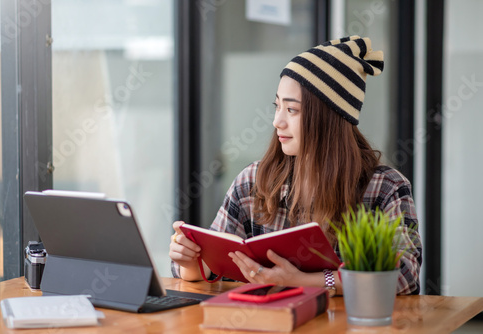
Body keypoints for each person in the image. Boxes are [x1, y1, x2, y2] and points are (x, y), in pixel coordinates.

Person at [169, 36, 422, 295]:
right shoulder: (253, 181)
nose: (277, 121)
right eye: (277, 106)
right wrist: (191, 261)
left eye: (292, 110)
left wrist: (306, 280)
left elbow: (404, 276)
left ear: (329, 118)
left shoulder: (385, 187)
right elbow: (208, 267)